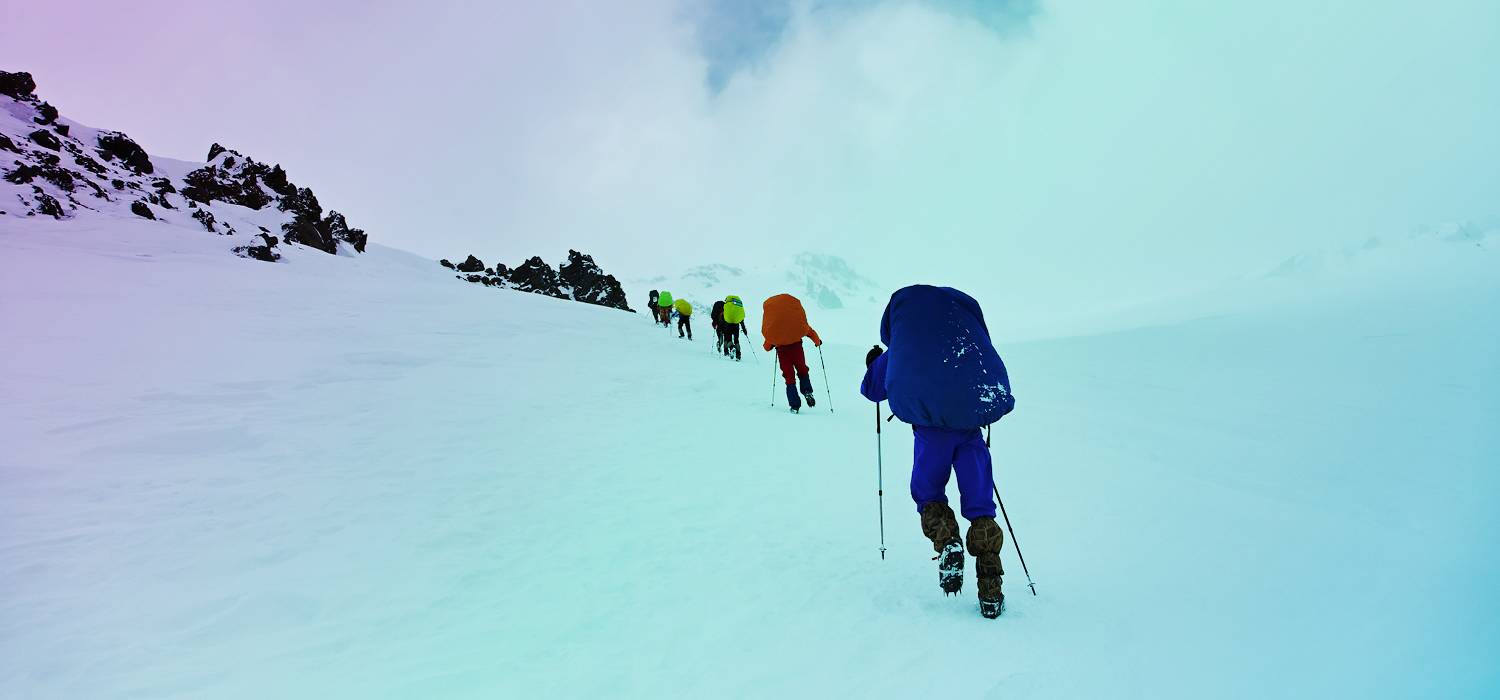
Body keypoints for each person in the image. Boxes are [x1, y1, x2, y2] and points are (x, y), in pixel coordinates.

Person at [860, 285, 1016, 619]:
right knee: (980, 506)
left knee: (928, 493)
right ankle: (991, 592)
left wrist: (875, 363)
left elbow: (871, 390)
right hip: (971, 432)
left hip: (932, 435)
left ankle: (948, 544)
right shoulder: (967, 344)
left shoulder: (906, 347)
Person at [761, 294, 821, 412]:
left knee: (789, 377)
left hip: (782, 351)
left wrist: (772, 344)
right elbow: (810, 331)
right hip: (796, 348)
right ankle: (807, 391)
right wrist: (818, 342)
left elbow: (767, 347)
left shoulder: (775, 330)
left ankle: (794, 405)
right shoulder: (796, 325)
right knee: (802, 370)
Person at [721, 295, 749, 361]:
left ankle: (731, 347)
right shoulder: (737, 307)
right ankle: (738, 355)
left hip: (728, 325)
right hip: (736, 325)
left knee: (729, 339)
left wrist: (722, 325)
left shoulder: (727, 306)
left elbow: (723, 317)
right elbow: (741, 319)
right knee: (736, 340)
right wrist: (744, 330)